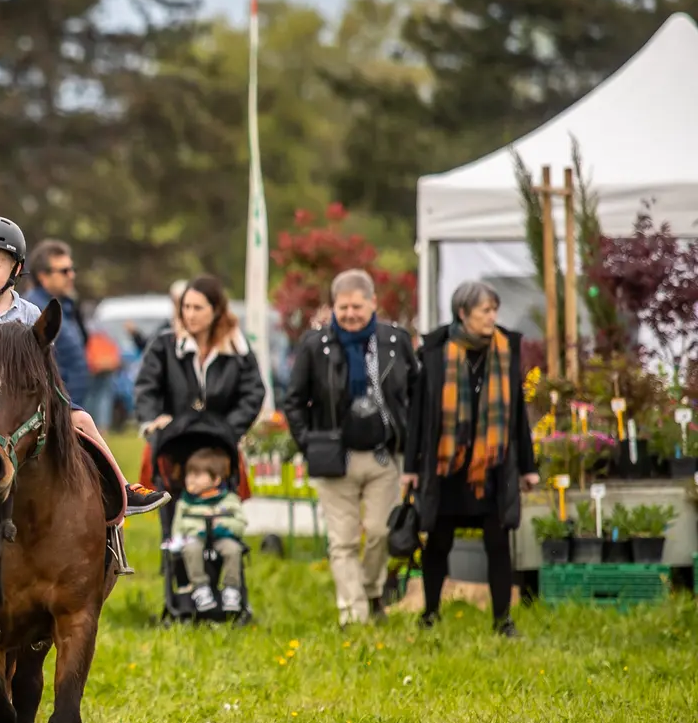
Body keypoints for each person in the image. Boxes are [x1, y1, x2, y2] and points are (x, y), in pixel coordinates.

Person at [0, 216, 166, 514]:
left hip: (29, 394)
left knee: (83, 421)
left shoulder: (31, 311)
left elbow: (44, 361)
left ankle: (123, 492)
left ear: (16, 269)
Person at [402, 281, 538, 637]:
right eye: (485, 311)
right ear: (463, 313)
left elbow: (518, 414)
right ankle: (430, 613)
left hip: (492, 465)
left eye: (494, 309)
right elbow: (419, 414)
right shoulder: (435, 351)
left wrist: (528, 466)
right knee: (439, 541)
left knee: (497, 542)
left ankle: (502, 621)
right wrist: (411, 468)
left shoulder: (506, 349)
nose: (492, 317)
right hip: (448, 466)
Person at [284, 269, 417, 626]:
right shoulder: (316, 345)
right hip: (334, 457)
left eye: (357, 306)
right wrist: (309, 443)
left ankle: (373, 593)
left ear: (373, 303)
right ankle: (353, 614)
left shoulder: (394, 341)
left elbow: (416, 394)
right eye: (343, 307)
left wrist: (412, 444)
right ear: (333, 306)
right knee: (342, 540)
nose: (350, 314)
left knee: (379, 531)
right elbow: (294, 401)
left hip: (383, 455)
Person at [135, 274, 267, 469]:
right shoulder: (164, 346)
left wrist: (226, 430)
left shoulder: (237, 349)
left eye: (198, 308)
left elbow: (253, 393)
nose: (190, 314)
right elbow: (146, 388)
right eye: (186, 307)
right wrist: (155, 423)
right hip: (170, 447)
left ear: (216, 310)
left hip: (220, 449)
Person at [170, 446, 249, 615]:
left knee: (233, 550)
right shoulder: (185, 503)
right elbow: (178, 525)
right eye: (189, 474)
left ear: (216, 480)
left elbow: (240, 524)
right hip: (195, 538)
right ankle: (200, 587)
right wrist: (179, 537)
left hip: (222, 536)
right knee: (191, 548)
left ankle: (231, 588)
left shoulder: (229, 500)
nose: (191, 479)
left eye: (197, 475)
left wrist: (222, 523)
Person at [24, 240, 92, 410]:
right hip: (52, 411)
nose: (71, 275)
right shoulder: (33, 310)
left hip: (70, 407)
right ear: (43, 276)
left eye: (72, 269)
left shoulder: (65, 306)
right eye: (64, 271)